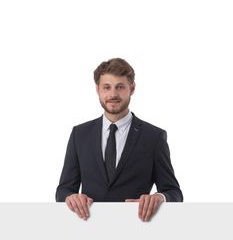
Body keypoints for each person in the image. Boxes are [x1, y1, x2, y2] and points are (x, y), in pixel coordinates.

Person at [56, 58, 183, 221]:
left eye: (120, 87)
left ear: (132, 88)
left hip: (137, 227)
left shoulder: (154, 137)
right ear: (97, 90)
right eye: (106, 87)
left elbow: (174, 193)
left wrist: (160, 197)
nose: (113, 94)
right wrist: (71, 197)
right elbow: (63, 190)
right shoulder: (79, 134)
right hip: (88, 226)